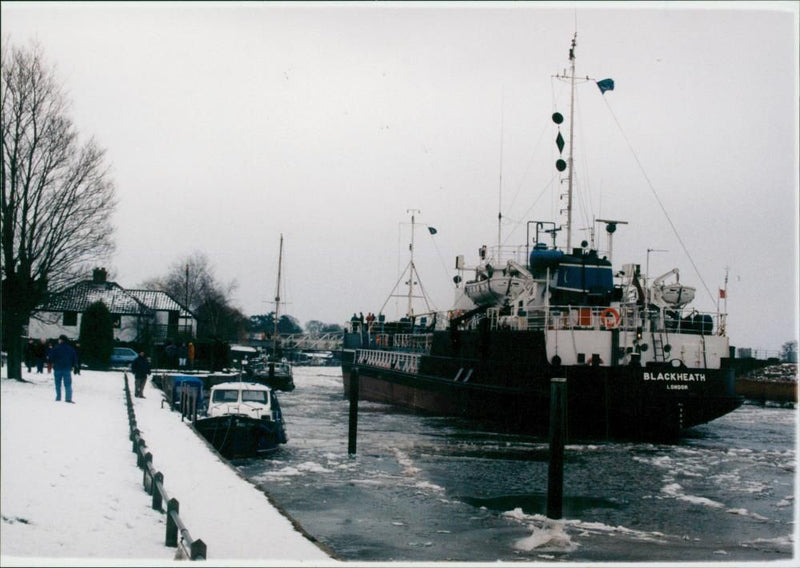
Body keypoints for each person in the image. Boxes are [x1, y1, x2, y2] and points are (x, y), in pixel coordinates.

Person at [50, 335, 78, 403]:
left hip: (57, 368)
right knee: (68, 384)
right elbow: (74, 358)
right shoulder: (70, 349)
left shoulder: (56, 348)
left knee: (57, 384)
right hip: (67, 368)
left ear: (61, 340)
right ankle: (68, 398)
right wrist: (74, 366)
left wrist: (52, 363)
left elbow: (51, 357)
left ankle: (58, 397)